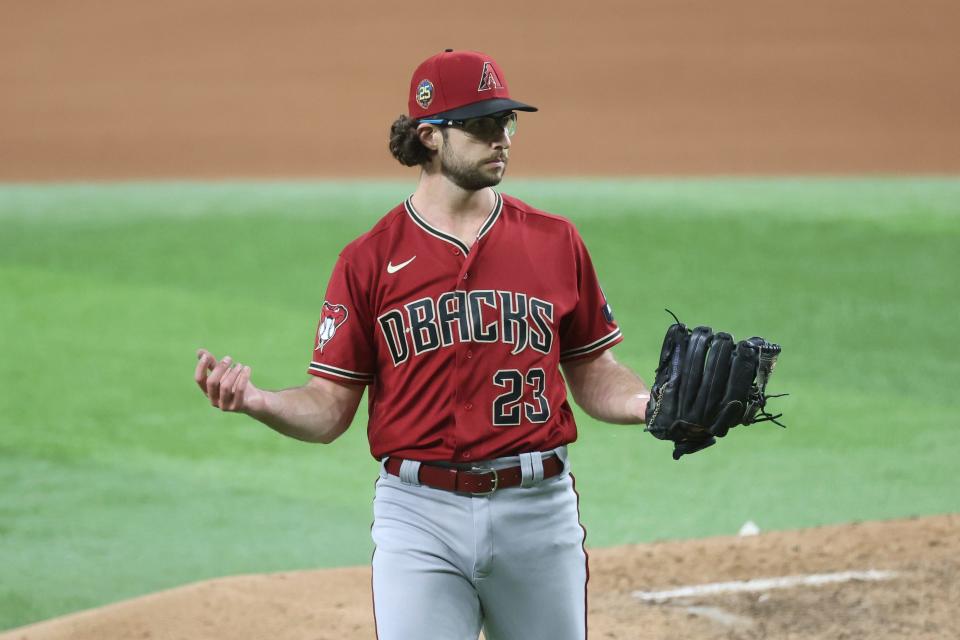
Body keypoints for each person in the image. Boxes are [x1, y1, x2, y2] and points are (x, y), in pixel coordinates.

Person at [195, 49, 651, 640]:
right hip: (419, 515)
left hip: (538, 510)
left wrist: (649, 403)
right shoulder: (368, 261)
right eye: (483, 125)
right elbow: (328, 409)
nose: (502, 139)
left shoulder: (555, 241)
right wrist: (258, 401)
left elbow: (595, 371)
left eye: (507, 122)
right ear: (430, 136)